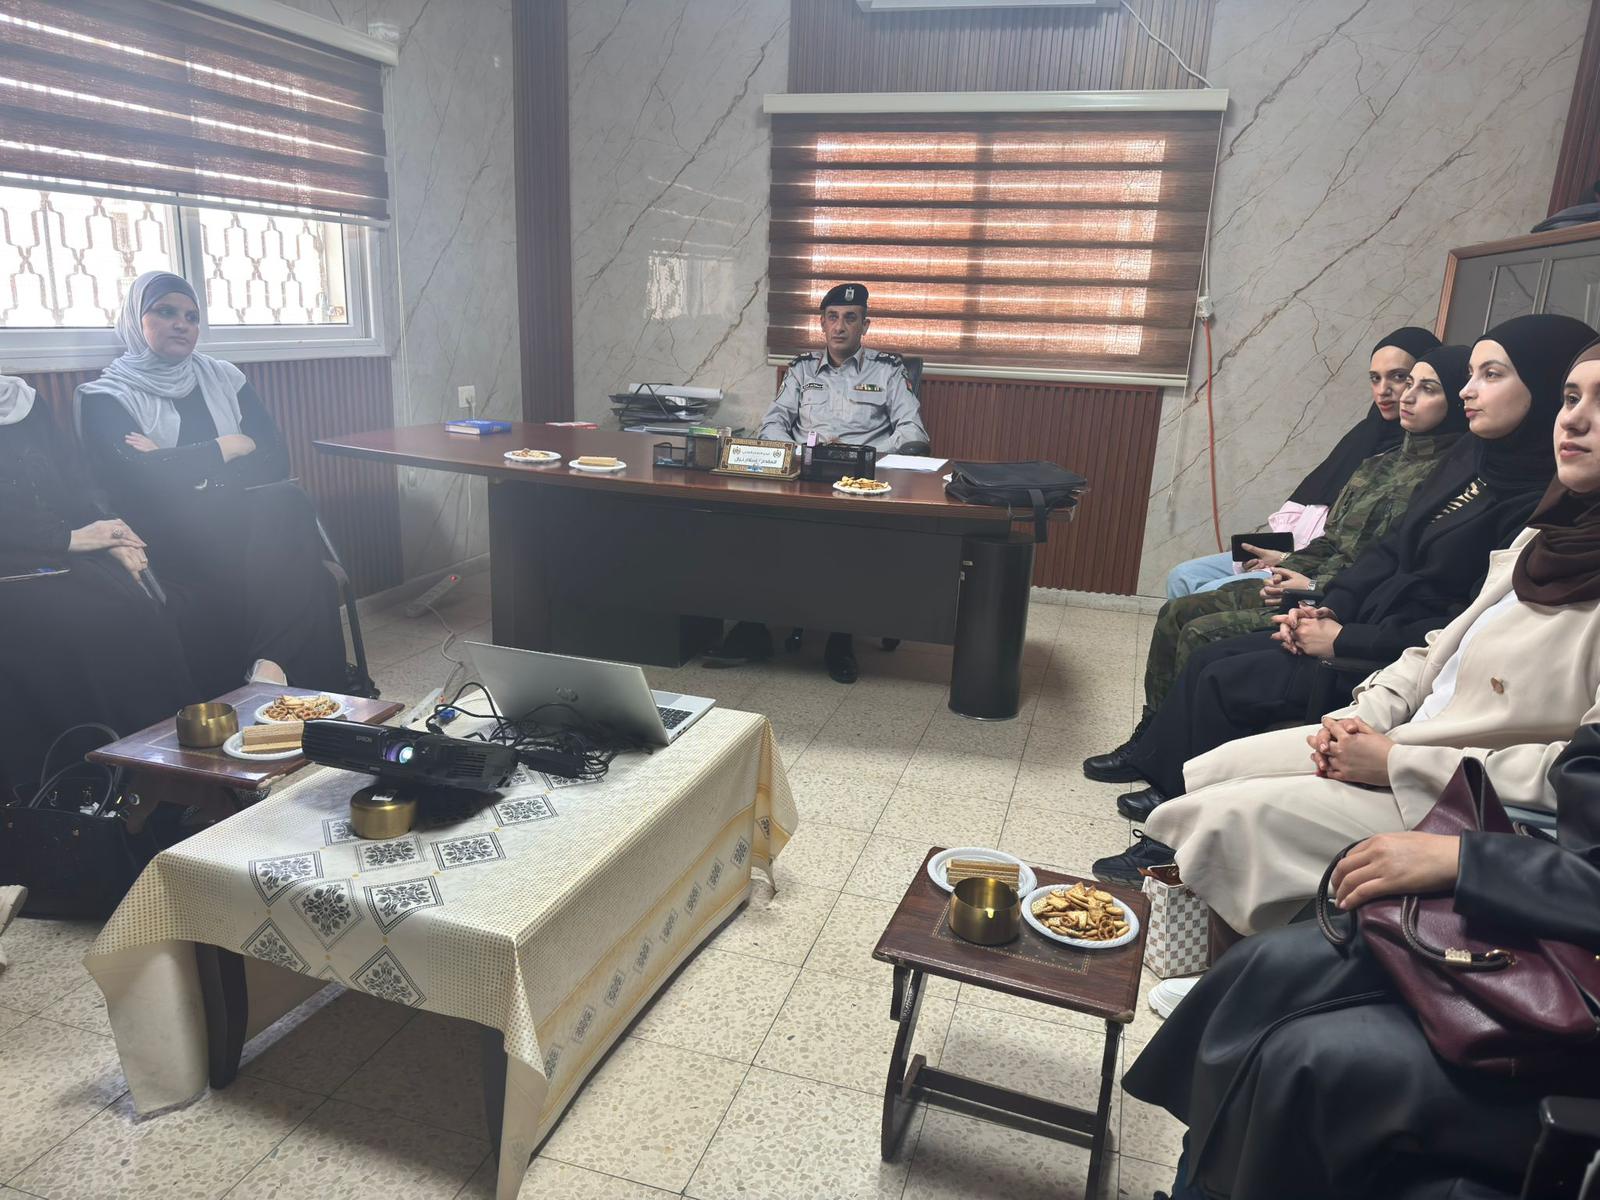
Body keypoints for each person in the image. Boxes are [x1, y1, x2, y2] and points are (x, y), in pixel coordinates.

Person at [1098, 329, 1600, 934]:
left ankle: (1206, 926)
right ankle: (1174, 847)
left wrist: (1381, 725)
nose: (1575, 420)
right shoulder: (1540, 532)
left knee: (1226, 779)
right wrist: (1354, 679)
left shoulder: (1521, 501)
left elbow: (1572, 775)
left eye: (1488, 376)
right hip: (1392, 702)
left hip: (1450, 776)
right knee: (1217, 764)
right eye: (1571, 397)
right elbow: (1439, 636)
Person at [1123, 723, 1600, 1200]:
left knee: (1309, 1059)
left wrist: (1474, 860)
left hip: (1579, 1026)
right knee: (1268, 969)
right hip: (1558, 908)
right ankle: (1194, 1182)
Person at [1088, 338, 1470, 791]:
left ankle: (1183, 766)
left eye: (1415, 385)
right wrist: (1287, 570)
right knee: (1177, 612)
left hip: (1332, 599)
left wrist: (1311, 582)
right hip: (1308, 578)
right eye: (1383, 380)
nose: (1399, 395)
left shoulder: (1446, 478)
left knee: (1201, 632)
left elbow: (1379, 564)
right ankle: (1149, 741)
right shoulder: (1379, 462)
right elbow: (1334, 538)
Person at [75, 272, 347, 697]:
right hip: (169, 530)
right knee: (305, 570)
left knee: (287, 498)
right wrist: (229, 446)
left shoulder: (223, 377)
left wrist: (175, 462)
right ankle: (281, 675)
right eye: (165, 311)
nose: (181, 324)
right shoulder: (105, 395)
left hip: (242, 521)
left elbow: (274, 460)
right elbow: (138, 481)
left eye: (191, 316)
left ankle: (269, 669)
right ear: (134, 320)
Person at [706, 282, 930, 683]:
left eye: (850, 318)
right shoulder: (803, 369)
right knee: (753, 523)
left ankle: (840, 638)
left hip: (860, 482)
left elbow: (912, 432)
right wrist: (795, 452)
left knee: (845, 541)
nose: (840, 327)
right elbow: (774, 422)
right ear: (822, 324)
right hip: (804, 475)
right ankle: (754, 629)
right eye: (832, 318)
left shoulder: (888, 370)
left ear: (864, 325)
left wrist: (862, 456)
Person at [0, 371, 197, 793]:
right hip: (14, 563)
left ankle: (170, 776)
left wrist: (110, 533)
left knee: (139, 600)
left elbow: (74, 482)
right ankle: (93, 787)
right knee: (85, 623)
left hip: (59, 551)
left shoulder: (23, 401)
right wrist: (69, 539)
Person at [1163, 325, 1437, 599]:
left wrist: (1287, 560)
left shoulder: (1419, 457)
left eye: (1399, 377)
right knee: (1183, 576)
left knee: (1209, 593)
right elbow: (1312, 504)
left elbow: (1357, 548)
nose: (1383, 390)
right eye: (1375, 378)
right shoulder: (1363, 436)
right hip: (1293, 549)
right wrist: (1272, 551)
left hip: (1318, 571)